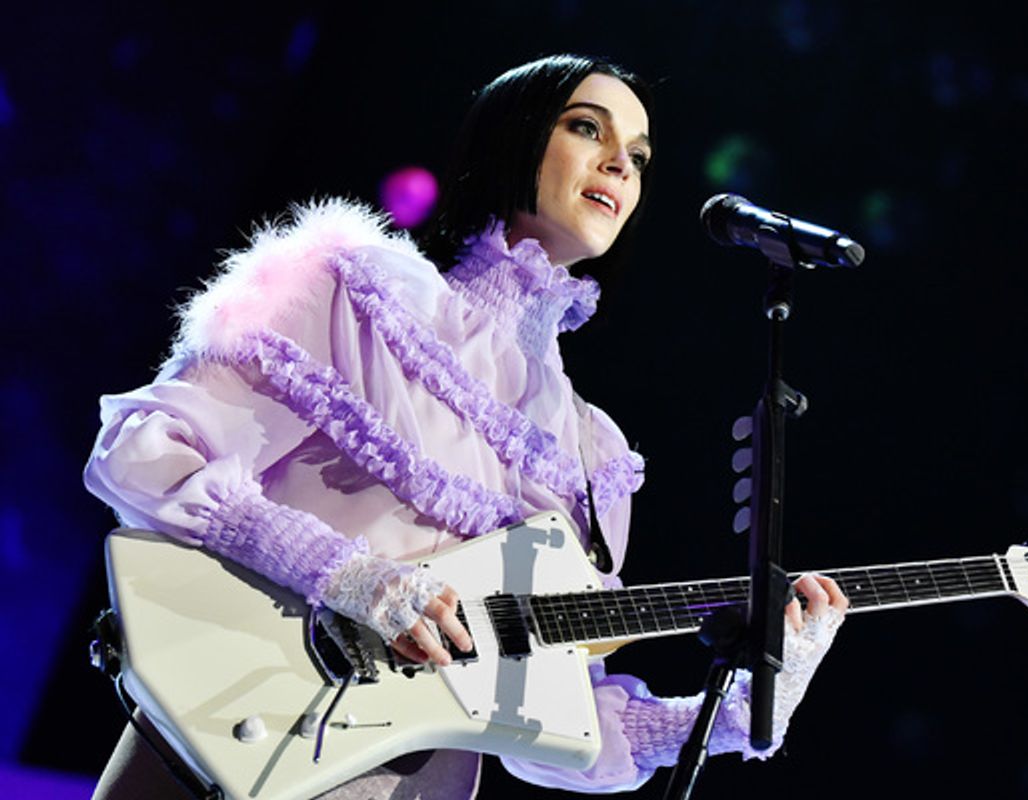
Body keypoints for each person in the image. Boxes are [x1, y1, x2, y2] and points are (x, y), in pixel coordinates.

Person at [84, 54, 848, 799]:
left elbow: (560, 728)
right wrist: (348, 576)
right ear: (512, 138)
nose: (621, 164)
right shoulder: (356, 286)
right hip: (234, 736)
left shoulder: (592, 452)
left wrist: (745, 710)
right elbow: (144, 451)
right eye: (589, 128)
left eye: (640, 157)